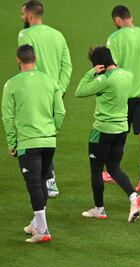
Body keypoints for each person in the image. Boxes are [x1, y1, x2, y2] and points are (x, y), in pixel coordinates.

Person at [2, 45, 65, 243]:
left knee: (34, 185)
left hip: (28, 143)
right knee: (43, 180)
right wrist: (51, 131)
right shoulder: (49, 81)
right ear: (35, 59)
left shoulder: (11, 84)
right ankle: (36, 224)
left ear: (18, 60)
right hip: (48, 141)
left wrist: (12, 142)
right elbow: (61, 112)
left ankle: (43, 230)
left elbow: (7, 117)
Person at [75, 47, 140, 222]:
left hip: (102, 130)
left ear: (99, 65)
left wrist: (92, 72)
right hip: (121, 129)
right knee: (113, 167)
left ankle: (99, 209)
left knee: (96, 169)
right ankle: (133, 197)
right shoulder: (127, 75)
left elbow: (79, 91)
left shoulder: (104, 80)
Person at [18, 0, 72, 198]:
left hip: (36, 91)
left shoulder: (25, 34)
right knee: (48, 133)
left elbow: (27, 63)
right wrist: (59, 89)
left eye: (23, 14)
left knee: (36, 135)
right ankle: (50, 180)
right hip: (54, 92)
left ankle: (46, 180)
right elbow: (67, 65)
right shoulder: (57, 35)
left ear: (30, 15)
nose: (22, 17)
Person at [104, 5, 140, 192]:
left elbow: (113, 67)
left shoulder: (114, 39)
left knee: (118, 134)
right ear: (130, 17)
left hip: (124, 95)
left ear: (117, 20)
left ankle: (111, 170)